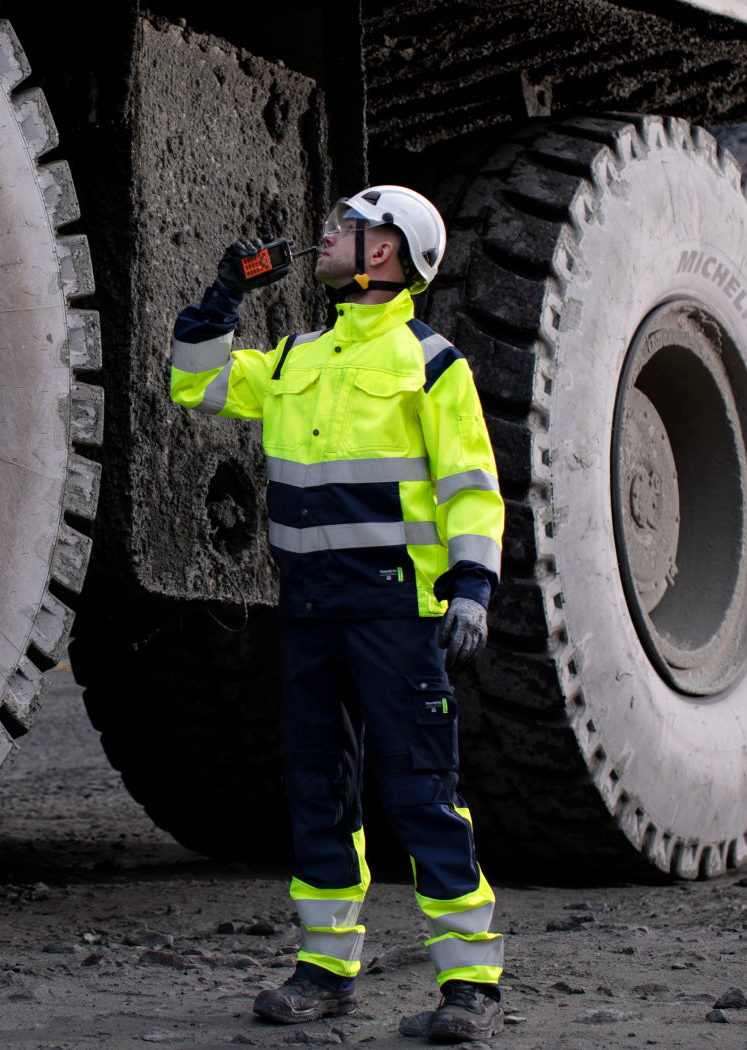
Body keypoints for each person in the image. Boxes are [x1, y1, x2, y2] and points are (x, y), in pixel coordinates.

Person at [168, 186, 506, 1043]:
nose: (326, 237)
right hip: (310, 613)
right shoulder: (291, 359)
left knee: (423, 794)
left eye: (345, 229)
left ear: (385, 253)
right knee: (318, 793)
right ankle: (325, 970)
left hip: (397, 613)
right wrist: (223, 295)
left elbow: (472, 488)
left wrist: (472, 589)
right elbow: (194, 383)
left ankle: (469, 986)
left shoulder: (432, 364)